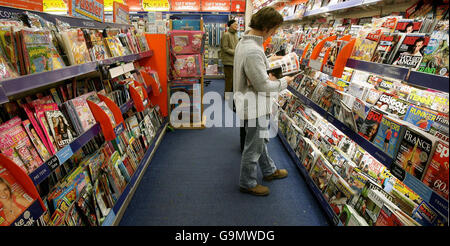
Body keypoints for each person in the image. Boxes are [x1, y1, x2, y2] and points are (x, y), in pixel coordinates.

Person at [233, 7, 294, 196]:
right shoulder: (252, 50)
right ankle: (247, 182)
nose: (275, 33)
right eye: (275, 29)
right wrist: (286, 81)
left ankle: (269, 170)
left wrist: (268, 60)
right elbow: (263, 86)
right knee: (254, 146)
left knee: (260, 141)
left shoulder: (246, 43)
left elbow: (254, 70)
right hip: (255, 106)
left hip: (251, 102)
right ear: (267, 27)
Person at [220, 19, 239, 98]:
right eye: (235, 24)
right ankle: (227, 96)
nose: (237, 26)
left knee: (233, 79)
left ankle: (231, 95)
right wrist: (236, 52)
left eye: (237, 24)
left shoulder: (236, 35)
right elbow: (225, 48)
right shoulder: (226, 35)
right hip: (228, 61)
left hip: (234, 61)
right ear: (230, 25)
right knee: (229, 79)